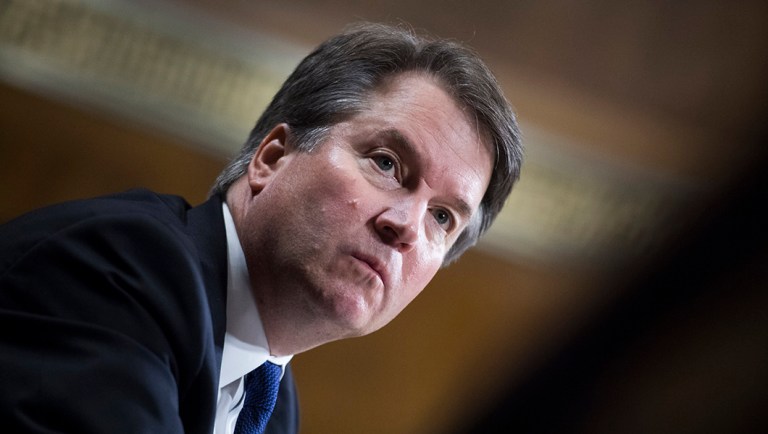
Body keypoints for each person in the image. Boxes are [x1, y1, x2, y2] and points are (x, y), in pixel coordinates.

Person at [0, 22, 522, 434]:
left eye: (442, 218)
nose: (406, 227)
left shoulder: (268, 405)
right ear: (272, 157)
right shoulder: (121, 267)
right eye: (386, 164)